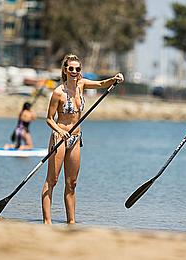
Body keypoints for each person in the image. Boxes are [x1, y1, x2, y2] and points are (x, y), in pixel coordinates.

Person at [41, 53, 124, 224]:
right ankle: (47, 221)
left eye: (77, 69)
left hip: (76, 138)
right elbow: (49, 119)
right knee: (53, 180)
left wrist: (115, 78)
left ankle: (71, 222)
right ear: (65, 70)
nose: (74, 71)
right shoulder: (58, 92)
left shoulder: (82, 84)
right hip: (59, 137)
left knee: (72, 183)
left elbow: (101, 84)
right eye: (70, 68)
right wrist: (60, 131)